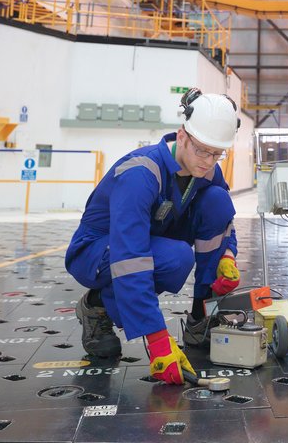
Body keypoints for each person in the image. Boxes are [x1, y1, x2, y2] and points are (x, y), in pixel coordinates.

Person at [65, 88, 243, 385]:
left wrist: (228, 254)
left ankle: (201, 318)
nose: (208, 161)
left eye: (217, 153)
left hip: (148, 240)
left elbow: (224, 219)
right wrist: (158, 340)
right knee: (175, 258)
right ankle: (96, 305)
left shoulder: (206, 169)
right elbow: (129, 258)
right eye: (202, 150)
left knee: (217, 201)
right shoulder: (141, 174)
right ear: (182, 136)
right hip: (98, 252)